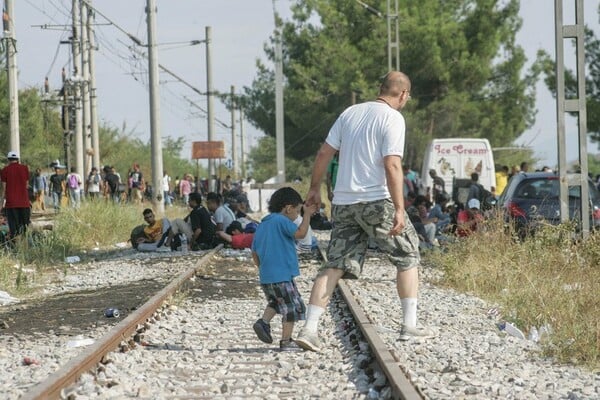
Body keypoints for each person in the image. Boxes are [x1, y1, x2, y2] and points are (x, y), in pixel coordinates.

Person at [296, 71, 432, 353]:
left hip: (344, 203)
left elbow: (324, 154)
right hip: (377, 200)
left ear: (380, 88)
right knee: (407, 254)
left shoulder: (350, 114)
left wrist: (314, 190)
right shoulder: (393, 118)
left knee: (334, 264)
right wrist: (398, 208)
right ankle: (409, 325)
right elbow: (392, 165)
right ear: (403, 94)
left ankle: (309, 329)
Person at [251, 187, 316, 351]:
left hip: (267, 275)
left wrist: (263, 269)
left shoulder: (263, 224)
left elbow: (254, 252)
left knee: (276, 302)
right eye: (297, 211)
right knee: (291, 307)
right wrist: (307, 215)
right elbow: (301, 234)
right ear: (288, 208)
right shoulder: (282, 221)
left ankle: (263, 322)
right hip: (282, 275)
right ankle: (286, 341)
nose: (297, 215)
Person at [0, 151, 31, 240]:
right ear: (18, 159)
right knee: (24, 229)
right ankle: (25, 248)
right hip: (24, 203)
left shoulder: (4, 170)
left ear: (8, 159)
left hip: (11, 204)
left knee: (14, 230)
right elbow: (26, 185)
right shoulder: (25, 168)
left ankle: (17, 249)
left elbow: (3, 189)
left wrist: (1, 204)